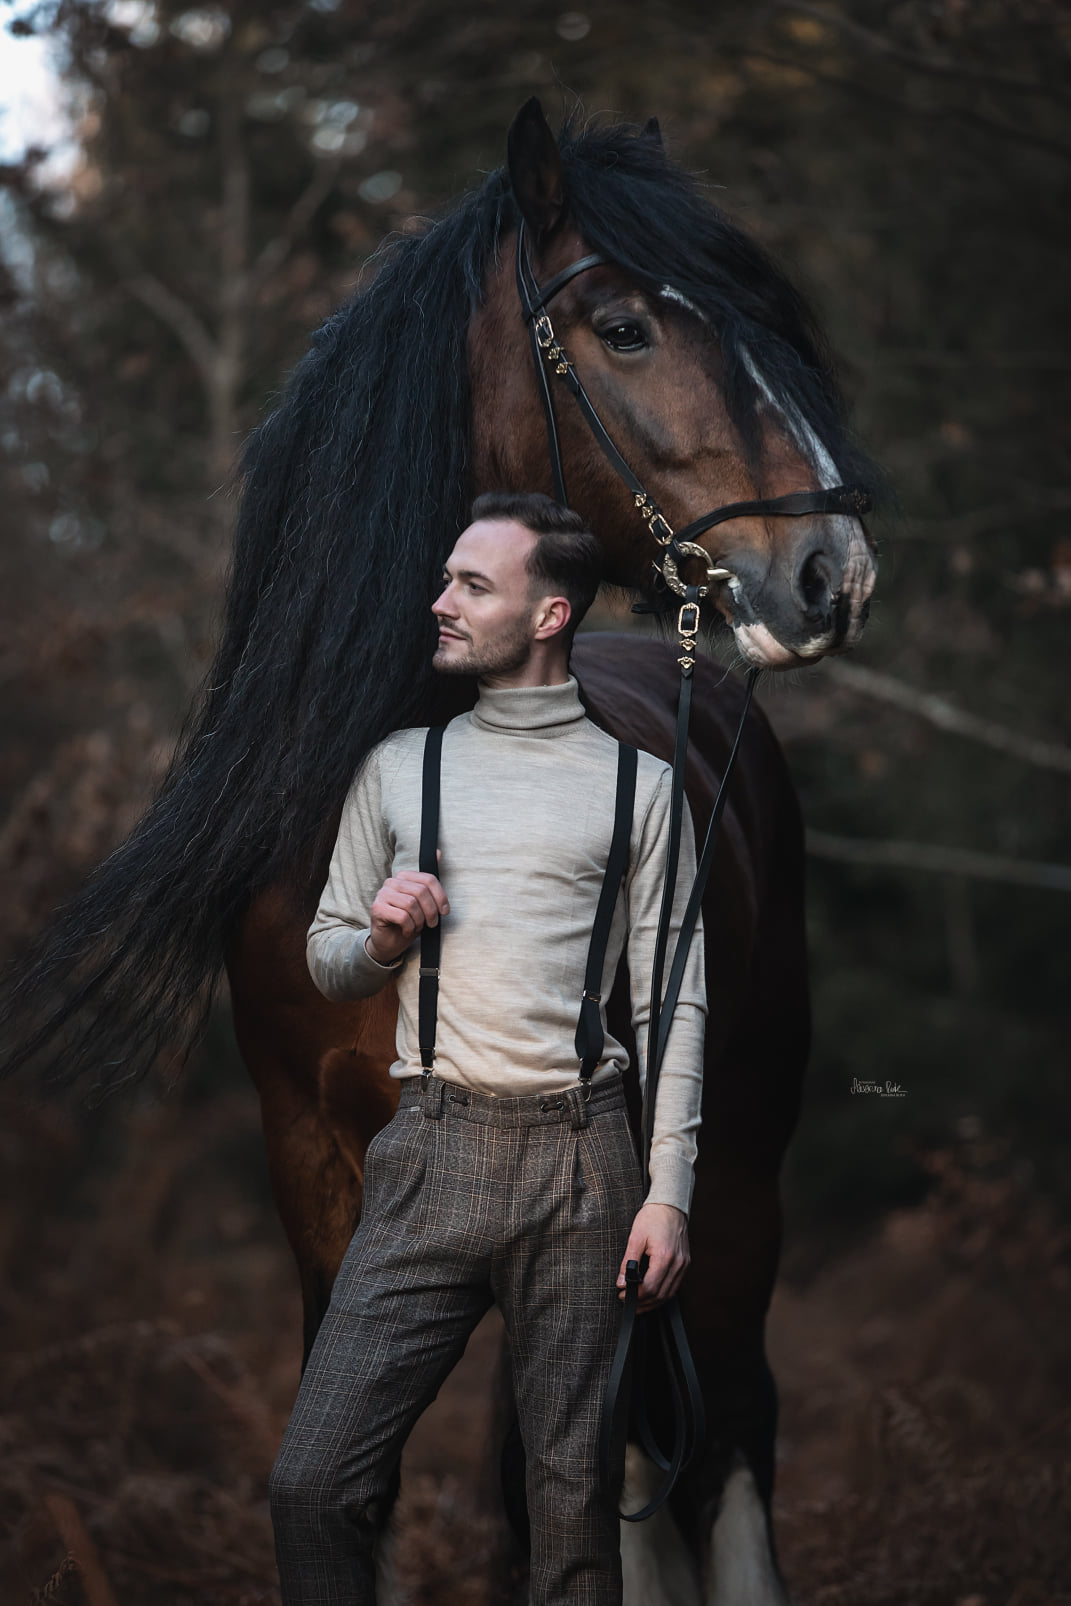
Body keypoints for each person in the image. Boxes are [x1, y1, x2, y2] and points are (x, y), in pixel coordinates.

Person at [268, 490, 707, 1606]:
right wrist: (377, 936)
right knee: (313, 1484)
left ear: (550, 613)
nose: (442, 601)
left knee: (568, 1527)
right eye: (447, 578)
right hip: (431, 1153)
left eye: (473, 584)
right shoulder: (397, 768)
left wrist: (670, 1194)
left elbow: (671, 1003)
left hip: (582, 1166)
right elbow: (325, 961)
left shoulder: (641, 788)